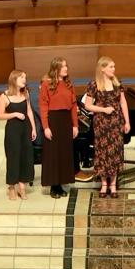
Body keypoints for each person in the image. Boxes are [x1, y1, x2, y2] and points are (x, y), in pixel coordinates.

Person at [84, 57, 130, 198]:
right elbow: (87, 105)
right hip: (101, 123)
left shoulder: (117, 84)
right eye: (110, 66)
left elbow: (123, 103)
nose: (113, 69)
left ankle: (113, 184)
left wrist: (127, 122)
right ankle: (104, 183)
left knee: (115, 151)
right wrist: (103, 110)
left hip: (116, 123)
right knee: (103, 152)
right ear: (102, 68)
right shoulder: (94, 85)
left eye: (114, 66)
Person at [40, 57, 79, 198]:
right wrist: (46, 127)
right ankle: (54, 186)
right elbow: (43, 106)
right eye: (63, 66)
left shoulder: (69, 84)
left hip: (65, 120)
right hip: (53, 120)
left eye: (66, 66)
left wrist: (75, 125)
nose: (66, 68)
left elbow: (73, 106)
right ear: (55, 68)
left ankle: (62, 184)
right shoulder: (46, 84)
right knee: (53, 154)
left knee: (64, 153)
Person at [0, 70, 36, 200]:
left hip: (26, 129)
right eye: (21, 77)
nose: (24, 79)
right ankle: (12, 187)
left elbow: (29, 111)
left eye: (25, 77)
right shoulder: (5, 96)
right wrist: (14, 114)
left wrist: (33, 129)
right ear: (14, 79)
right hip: (13, 131)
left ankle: (22, 186)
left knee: (26, 157)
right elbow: (0, 115)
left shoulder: (26, 93)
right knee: (14, 157)